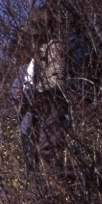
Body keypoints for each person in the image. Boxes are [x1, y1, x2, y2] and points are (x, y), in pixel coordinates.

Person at [11, 11, 70, 182]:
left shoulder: (54, 47)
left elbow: (57, 82)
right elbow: (16, 85)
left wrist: (35, 94)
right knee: (37, 150)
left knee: (48, 149)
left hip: (54, 104)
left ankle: (65, 188)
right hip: (39, 109)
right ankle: (46, 191)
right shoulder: (33, 57)